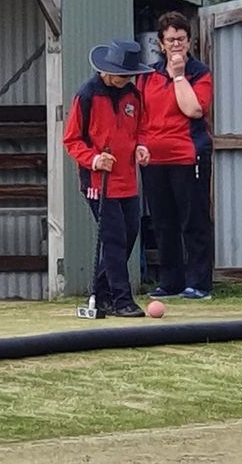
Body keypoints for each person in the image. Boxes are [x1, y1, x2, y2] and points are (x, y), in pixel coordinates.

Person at [63, 39, 155, 317]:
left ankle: (100, 292)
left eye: (130, 76)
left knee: (129, 235)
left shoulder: (133, 95)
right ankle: (121, 300)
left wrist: (141, 146)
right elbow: (71, 139)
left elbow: (141, 128)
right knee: (114, 238)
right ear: (107, 70)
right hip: (97, 183)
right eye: (122, 75)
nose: (127, 80)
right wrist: (93, 159)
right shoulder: (87, 95)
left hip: (127, 180)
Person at [136, 12, 214, 300]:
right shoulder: (148, 76)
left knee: (193, 220)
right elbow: (141, 116)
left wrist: (179, 76)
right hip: (154, 158)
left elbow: (194, 109)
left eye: (181, 39)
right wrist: (140, 145)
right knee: (163, 222)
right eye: (170, 40)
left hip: (188, 154)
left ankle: (199, 283)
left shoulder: (200, 73)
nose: (176, 44)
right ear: (161, 43)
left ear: (189, 41)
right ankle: (170, 281)